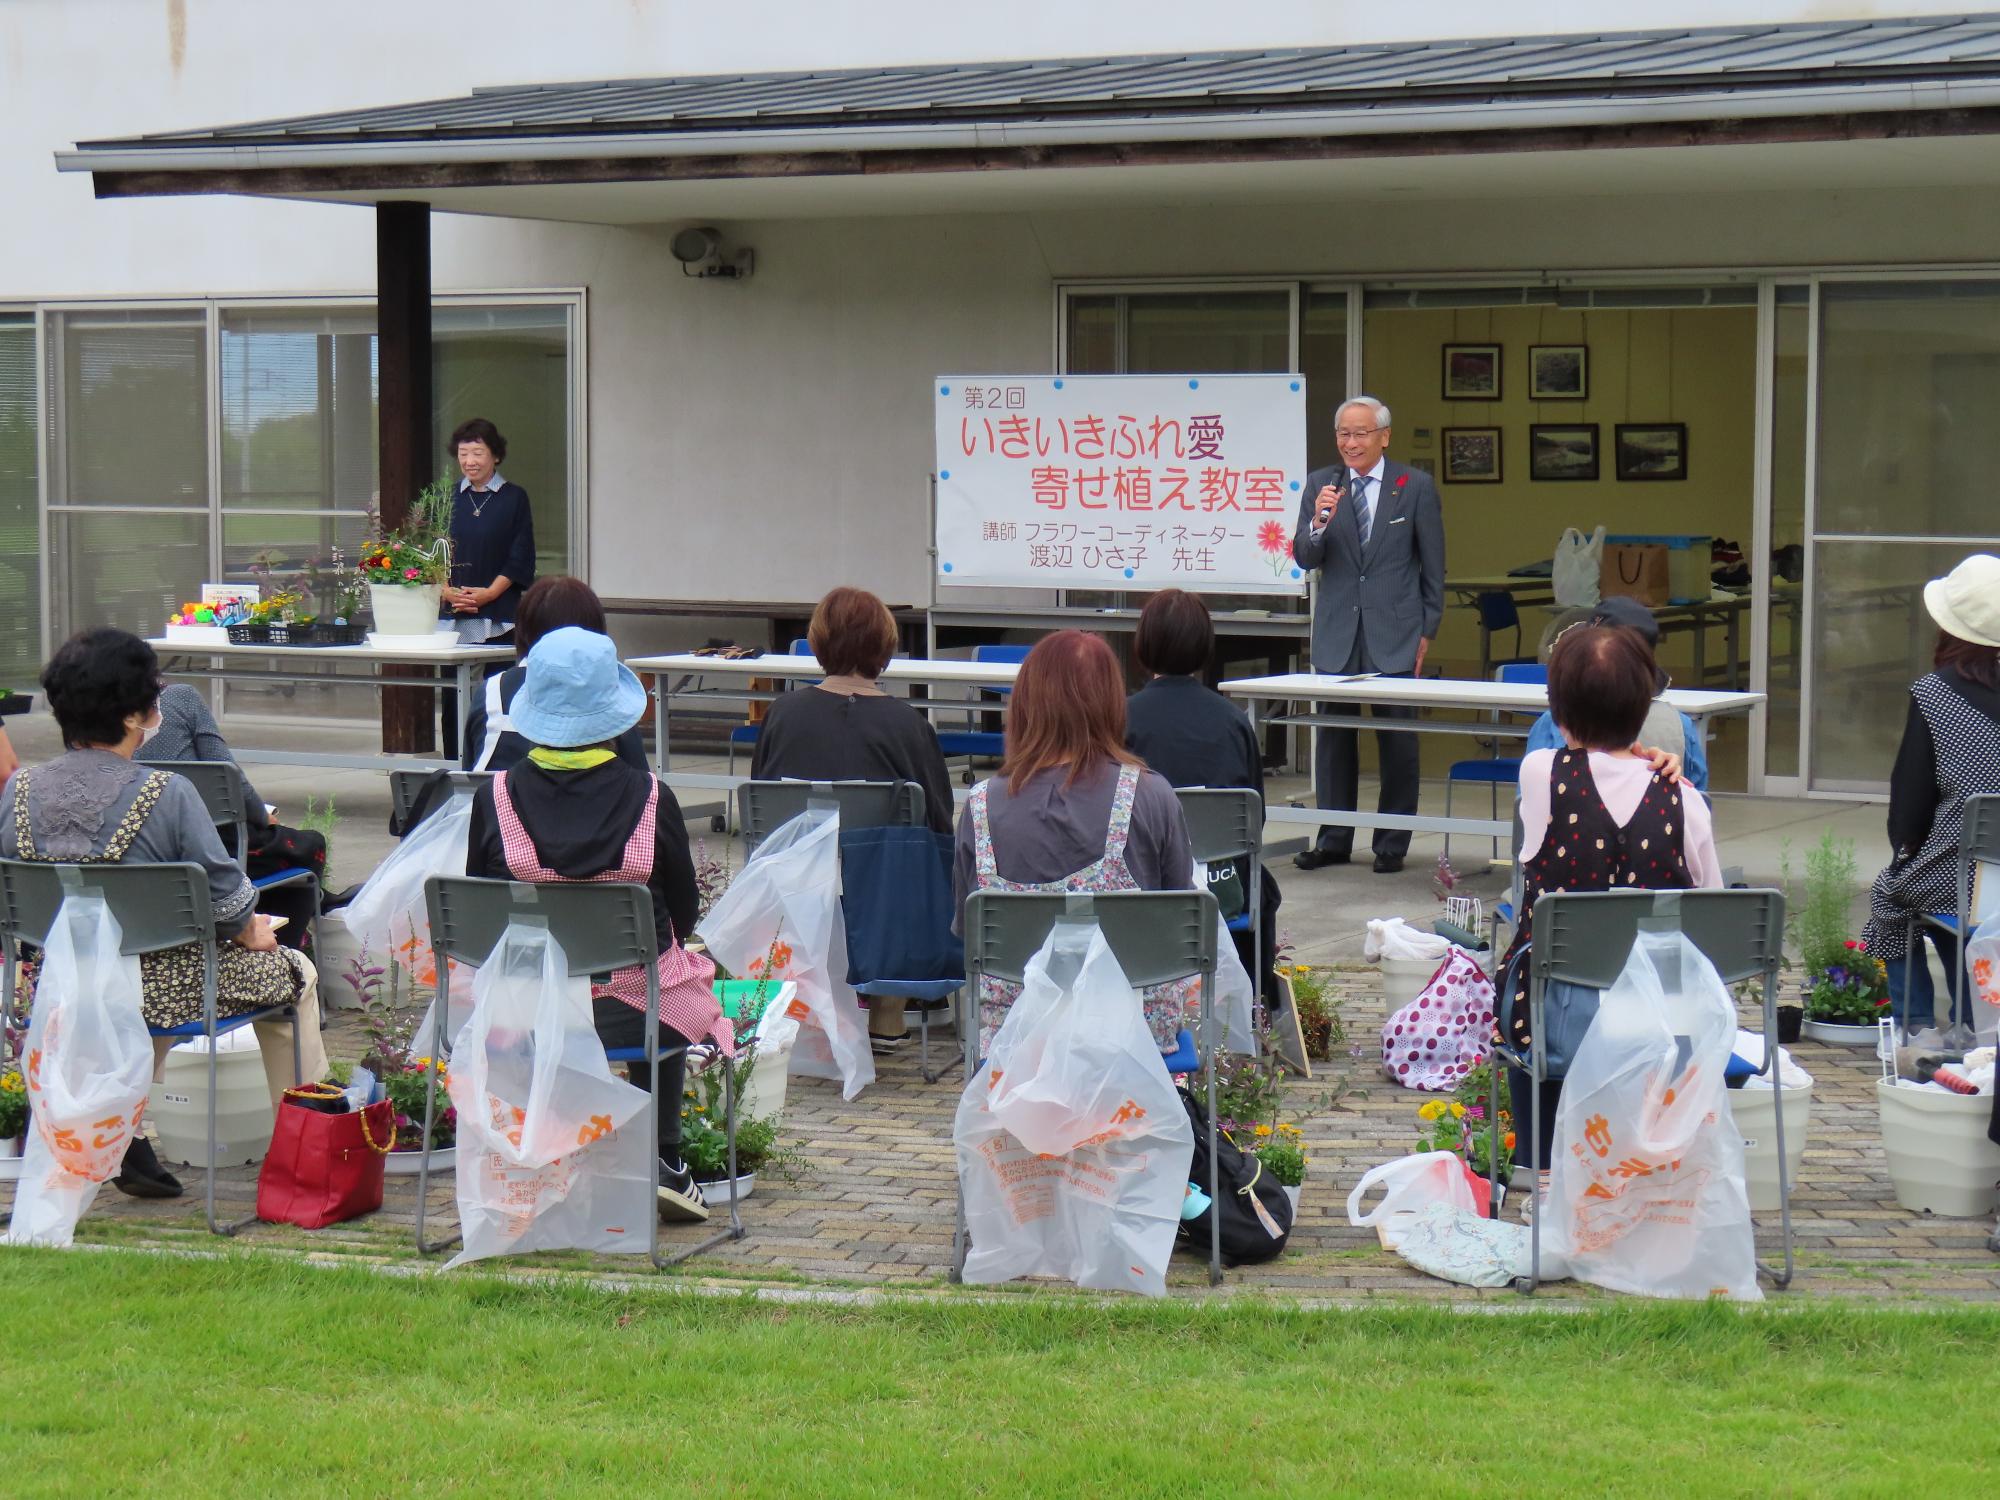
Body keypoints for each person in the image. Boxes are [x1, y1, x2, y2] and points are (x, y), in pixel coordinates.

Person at [0, 629, 326, 1199]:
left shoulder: (19, 790)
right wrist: (253, 929)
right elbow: (230, 903)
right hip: (167, 987)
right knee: (296, 975)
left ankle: (123, 1130)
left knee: (137, 986)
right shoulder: (168, 793)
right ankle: (307, 1147)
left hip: (60, 983)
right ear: (132, 716)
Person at [464, 626, 731, 1223]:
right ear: (614, 715)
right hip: (630, 1004)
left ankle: (537, 1149)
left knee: (651, 974)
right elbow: (683, 914)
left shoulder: (496, 796)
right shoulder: (650, 795)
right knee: (670, 981)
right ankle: (663, 1159)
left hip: (529, 1007)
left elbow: (483, 909)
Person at [1492, 624, 1719, 1201]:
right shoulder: (1686, 801)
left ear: (1559, 710)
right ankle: (1646, 1181)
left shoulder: (1541, 774)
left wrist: (1624, 752)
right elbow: (1709, 908)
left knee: (1525, 986)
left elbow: (1575, 760)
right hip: (1658, 1022)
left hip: (1555, 1014)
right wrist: (1646, 757)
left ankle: (1544, 1184)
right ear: (1645, 707)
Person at [953, 629, 1196, 1053]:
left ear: (1026, 703)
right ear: (1110, 703)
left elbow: (967, 929)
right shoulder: (1151, 796)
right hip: (1131, 1036)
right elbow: (1182, 929)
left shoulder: (979, 806)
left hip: (1015, 1036)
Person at [752, 585, 954, 1052]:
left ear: (819, 643)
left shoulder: (781, 715)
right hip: (884, 891)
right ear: (885, 648)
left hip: (798, 880)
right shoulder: (910, 726)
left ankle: (808, 1008)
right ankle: (887, 1014)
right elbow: (939, 823)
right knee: (911, 859)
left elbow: (763, 806)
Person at [1290, 396, 1445, 875]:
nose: (1350, 443)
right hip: (1338, 630)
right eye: (1343, 434)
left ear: (1384, 436)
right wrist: (1319, 521)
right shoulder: (1322, 484)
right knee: (1333, 739)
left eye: (1360, 433)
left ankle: (1391, 844)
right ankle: (1333, 838)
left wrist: (1428, 628)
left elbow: (1434, 565)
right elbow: (1303, 556)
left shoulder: (1414, 486)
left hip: (1395, 631)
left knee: (1397, 739)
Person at [1860, 554, 2000, 1033]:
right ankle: (1973, 1017)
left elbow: (1910, 806)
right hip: (1986, 886)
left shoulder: (1936, 692)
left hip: (1963, 870)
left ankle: (1916, 1027)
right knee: (1961, 911)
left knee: (1890, 897)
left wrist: (1905, 850)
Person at [1123, 588, 1279, 1003]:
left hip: (1140, 889)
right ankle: (1249, 1008)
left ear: (1143, 645)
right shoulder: (1233, 722)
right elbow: (1253, 822)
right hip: (1220, 886)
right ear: (1204, 646)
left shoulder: (1120, 719)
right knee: (1262, 884)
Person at [137, 682, 334, 932]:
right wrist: (262, 815)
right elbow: (227, 774)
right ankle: (284, 949)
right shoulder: (178, 698)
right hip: (214, 844)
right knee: (307, 848)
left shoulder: (95, 760)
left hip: (149, 850)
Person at [461, 575, 648, 775]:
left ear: (523, 629)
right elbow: (641, 782)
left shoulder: (492, 691)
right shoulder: (607, 691)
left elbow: (471, 768)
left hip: (498, 799)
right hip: (595, 802)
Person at [1524, 596, 1709, 793]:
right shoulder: (1680, 726)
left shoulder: (1550, 725)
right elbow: (1699, 804)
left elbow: (1525, 806)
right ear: (1646, 680)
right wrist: (1668, 783)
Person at [440, 417, 536, 758]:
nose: (470, 461)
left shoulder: (514, 498)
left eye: (478, 452)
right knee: (453, 694)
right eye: (464, 453)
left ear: (495, 456)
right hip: (454, 613)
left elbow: (520, 556)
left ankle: (497, 762)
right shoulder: (447, 498)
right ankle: (455, 761)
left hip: (499, 612)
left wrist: (489, 594)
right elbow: (431, 553)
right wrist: (445, 590)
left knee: (499, 692)